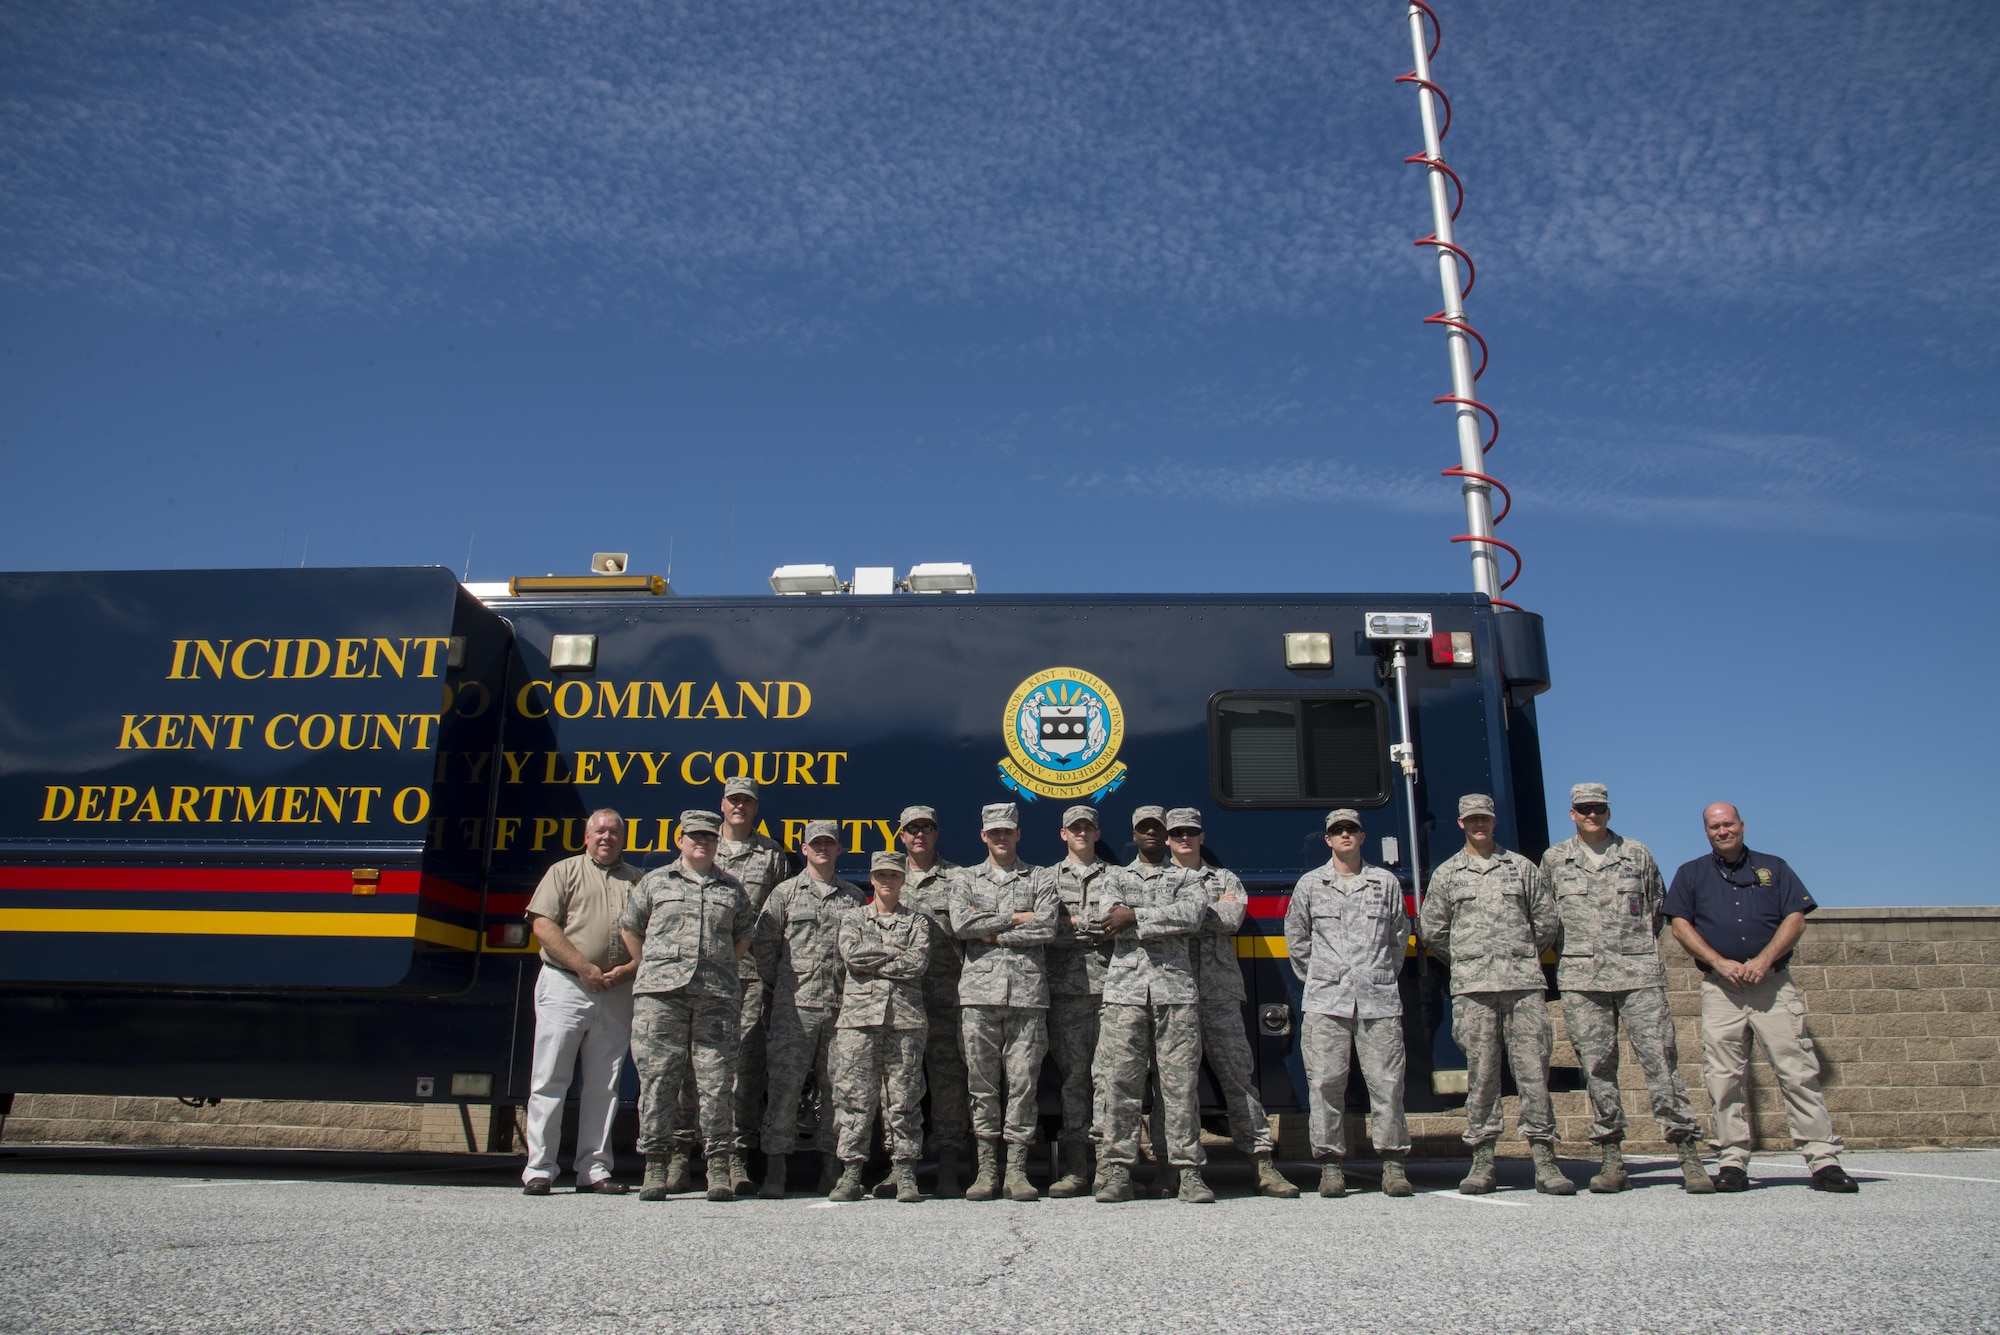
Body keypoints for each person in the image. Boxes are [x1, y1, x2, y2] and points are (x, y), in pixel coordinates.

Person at [1666, 802, 1855, 1193]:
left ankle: (1823, 1160)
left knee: (1798, 1071)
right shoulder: (1691, 874)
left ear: (1742, 826)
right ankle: (1732, 1161)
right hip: (1722, 990)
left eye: (1728, 824)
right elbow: (1680, 925)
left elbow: (1796, 917)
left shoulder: (1775, 868)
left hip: (1771, 985)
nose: (1723, 831)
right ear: (1706, 832)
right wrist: (1720, 963)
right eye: (1714, 826)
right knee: (1723, 1078)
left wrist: (1763, 960)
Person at [1542, 783, 1712, 1194]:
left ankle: (1687, 1153)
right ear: (1572, 814)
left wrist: (1627, 950)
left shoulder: (1637, 854)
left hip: (1639, 978)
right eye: (1584, 809)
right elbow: (1546, 918)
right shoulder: (1554, 860)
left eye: (1598, 809)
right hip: (1583, 980)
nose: (1592, 815)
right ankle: (1612, 1158)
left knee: (1662, 1064)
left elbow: (1656, 910)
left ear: (1608, 812)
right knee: (1598, 1069)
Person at [1418, 794, 1570, 1195]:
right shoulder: (1449, 874)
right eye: (1471, 819)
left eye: (1484, 818)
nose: (1478, 825)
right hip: (1474, 989)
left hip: (1523, 988)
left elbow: (1546, 921)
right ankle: (1482, 1161)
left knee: (1533, 1074)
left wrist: (1517, 957)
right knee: (1481, 1077)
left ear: (1493, 820)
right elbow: (1433, 929)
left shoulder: (1521, 868)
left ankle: (1545, 1160)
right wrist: (1470, 960)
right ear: (1461, 823)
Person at [619, 809, 756, 1202]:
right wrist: (651, 967)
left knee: (716, 1083)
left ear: (717, 842)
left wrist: (722, 966)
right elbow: (631, 928)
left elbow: (744, 935)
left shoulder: (731, 888)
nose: (702, 842)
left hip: (716, 997)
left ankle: (716, 1166)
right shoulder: (655, 882)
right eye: (694, 836)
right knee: (660, 1081)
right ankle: (656, 1166)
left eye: (709, 837)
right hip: (661, 998)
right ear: (680, 839)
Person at [1170, 807, 1298, 1198]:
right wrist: (1200, 911)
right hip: (1172, 993)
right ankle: (1185, 1172)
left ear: (1202, 836)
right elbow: (1160, 918)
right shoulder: (1155, 879)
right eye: (1177, 834)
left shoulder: (1223, 878)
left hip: (1219, 994)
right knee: (1177, 1087)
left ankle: (1263, 1165)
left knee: (1239, 1081)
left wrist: (1179, 916)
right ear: (1168, 838)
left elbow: (1231, 918)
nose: (1184, 839)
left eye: (1191, 832)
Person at [1284, 809, 1412, 1198]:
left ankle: (1393, 1164)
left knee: (1388, 1084)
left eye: (1350, 829)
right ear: (1327, 839)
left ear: (1362, 836)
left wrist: (1376, 974)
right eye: (1336, 830)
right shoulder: (1311, 884)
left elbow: (1398, 935)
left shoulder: (1384, 882)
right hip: (1326, 1001)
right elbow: (1297, 938)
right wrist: (1324, 976)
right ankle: (1330, 1166)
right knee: (1325, 1084)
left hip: (1378, 1000)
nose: (1344, 835)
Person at [519, 808, 643, 1195]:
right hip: (566, 985)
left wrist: (629, 968)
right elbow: (542, 924)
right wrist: (583, 967)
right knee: (550, 1079)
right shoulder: (564, 871)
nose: (606, 837)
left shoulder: (638, 880)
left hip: (616, 990)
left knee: (604, 1085)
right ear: (587, 837)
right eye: (599, 831)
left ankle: (594, 1168)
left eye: (614, 832)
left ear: (624, 838)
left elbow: (650, 932)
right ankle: (539, 1168)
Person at [754, 819, 869, 1198]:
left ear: (839, 849)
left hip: (841, 1010)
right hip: (793, 1011)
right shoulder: (784, 895)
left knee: (838, 1093)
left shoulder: (853, 897)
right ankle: (775, 1171)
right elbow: (765, 949)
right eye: (815, 843)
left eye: (829, 843)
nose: (822, 849)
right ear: (804, 849)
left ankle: (831, 1170)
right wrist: (785, 987)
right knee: (784, 1092)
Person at [1090, 843, 1211, 1203]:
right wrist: (1156, 918)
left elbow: (1193, 916)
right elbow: (1110, 919)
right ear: (1135, 835)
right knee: (1120, 1086)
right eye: (1144, 829)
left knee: (1180, 1087)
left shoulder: (1188, 877)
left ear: (1167, 838)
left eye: (1158, 829)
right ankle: (1117, 1173)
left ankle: (1187, 1173)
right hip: (1125, 996)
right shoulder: (1115, 876)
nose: (1151, 835)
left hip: (1174, 993)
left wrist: (1137, 917)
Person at [949, 801, 1057, 1202]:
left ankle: (1016, 1170)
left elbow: (1046, 926)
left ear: (1017, 834)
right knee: (981, 1084)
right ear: (983, 836)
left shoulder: (1040, 877)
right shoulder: (963, 879)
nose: (1000, 837)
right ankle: (985, 1170)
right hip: (979, 996)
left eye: (1007, 831)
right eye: (993, 832)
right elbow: (961, 924)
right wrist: (1016, 917)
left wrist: (993, 930)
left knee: (1024, 1083)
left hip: (1027, 997)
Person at [827, 851, 933, 1203]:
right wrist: (894, 955)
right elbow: (852, 958)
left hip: (905, 1021)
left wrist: (876, 960)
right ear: (871, 879)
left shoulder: (917, 922)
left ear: (903, 880)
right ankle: (851, 1173)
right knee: (854, 1098)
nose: (887, 881)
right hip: (859, 1021)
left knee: (904, 1099)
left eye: (894, 876)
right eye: (881, 876)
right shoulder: (852, 918)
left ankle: (904, 1173)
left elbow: (917, 965)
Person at [1038, 805, 1121, 1198]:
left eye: (1088, 828)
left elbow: (1117, 925)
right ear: (1063, 835)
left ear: (1097, 833)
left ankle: (1108, 1167)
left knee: (1108, 1079)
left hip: (1112, 991)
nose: (1082, 834)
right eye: (1075, 829)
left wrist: (1075, 924)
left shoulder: (1118, 878)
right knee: (1074, 1081)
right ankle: (1075, 1169)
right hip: (1065, 992)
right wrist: (1089, 927)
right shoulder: (1047, 879)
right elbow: (1046, 929)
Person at [897, 804, 970, 1195]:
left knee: (948, 1084)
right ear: (901, 835)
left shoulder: (958, 879)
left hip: (946, 1000)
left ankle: (947, 1164)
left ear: (937, 833)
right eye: (912, 829)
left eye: (927, 828)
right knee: (899, 1084)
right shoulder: (889, 877)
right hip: (902, 1001)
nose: (919, 835)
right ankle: (898, 1163)